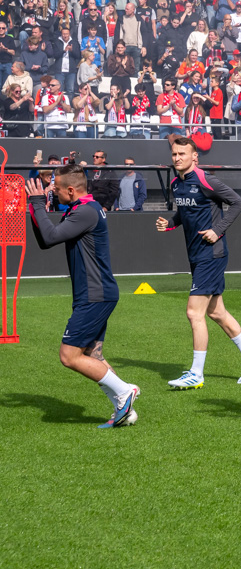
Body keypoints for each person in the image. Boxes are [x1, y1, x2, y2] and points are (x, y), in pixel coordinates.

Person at [28, 164, 140, 428]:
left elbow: (50, 236)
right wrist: (36, 207)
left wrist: (37, 203)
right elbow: (46, 240)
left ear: (70, 190)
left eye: (56, 188)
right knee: (93, 355)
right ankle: (124, 409)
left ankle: (125, 391)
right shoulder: (81, 209)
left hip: (94, 294)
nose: (53, 191)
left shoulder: (86, 211)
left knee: (69, 356)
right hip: (93, 293)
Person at [155, 136, 241, 389]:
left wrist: (218, 230)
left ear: (195, 157)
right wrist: (170, 223)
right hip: (196, 254)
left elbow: (237, 202)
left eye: (182, 154)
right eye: (174, 154)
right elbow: (184, 213)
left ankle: (196, 373)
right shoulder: (176, 183)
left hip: (211, 254)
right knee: (216, 312)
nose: (177, 158)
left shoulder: (206, 180)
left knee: (194, 313)